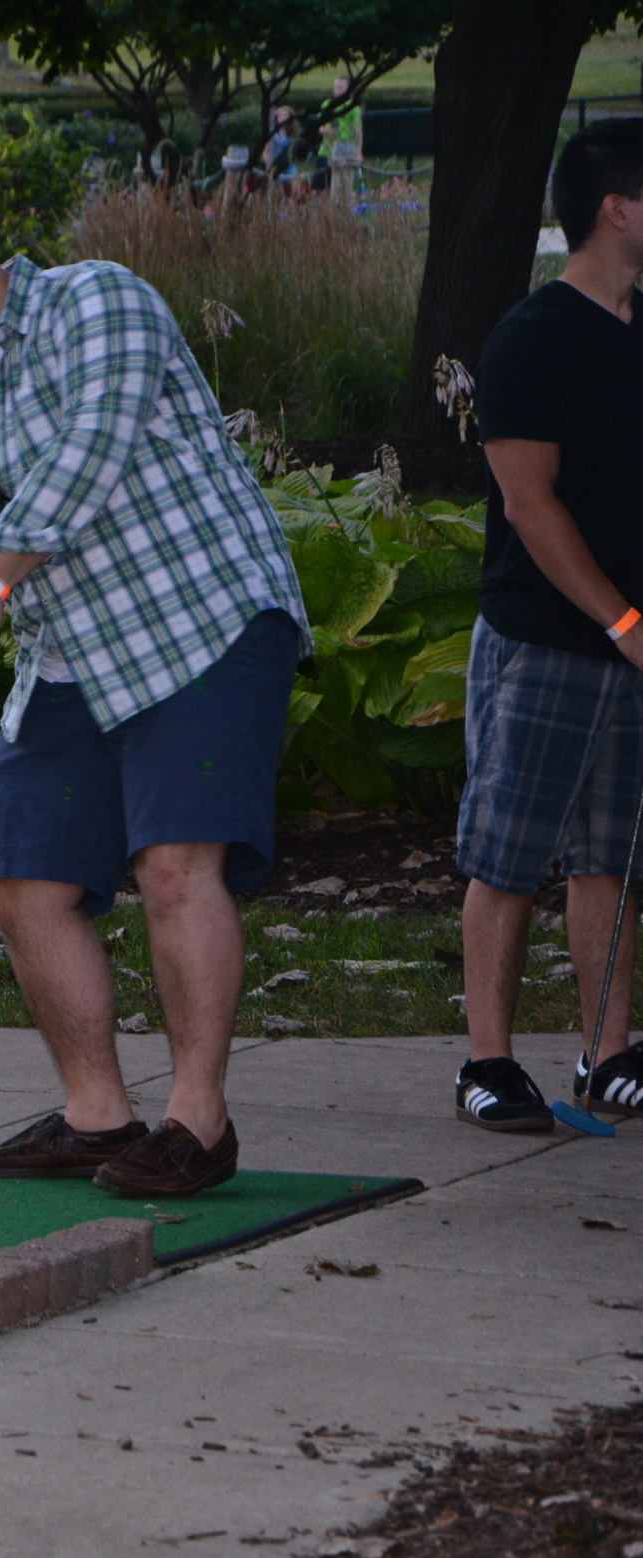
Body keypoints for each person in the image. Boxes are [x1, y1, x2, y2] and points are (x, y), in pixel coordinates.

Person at [0, 174, 309, 1197]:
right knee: (21, 879)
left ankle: (197, 1123)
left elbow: (90, 453)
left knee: (175, 866)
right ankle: (96, 1117)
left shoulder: (100, 300)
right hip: (71, 654)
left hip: (202, 618)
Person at [450, 118, 643, 1132]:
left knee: (610, 854)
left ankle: (607, 1055)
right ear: (615, 208)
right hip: (546, 638)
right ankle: (487, 1062)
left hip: (631, 643)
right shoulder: (530, 338)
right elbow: (530, 504)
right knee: (508, 854)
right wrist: (618, 617)